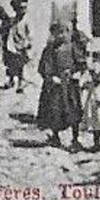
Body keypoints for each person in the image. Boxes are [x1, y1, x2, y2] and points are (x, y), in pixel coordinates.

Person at [37, 20, 83, 149]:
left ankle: (75, 138)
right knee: (55, 111)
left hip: (70, 85)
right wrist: (51, 77)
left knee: (74, 111)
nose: (61, 36)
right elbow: (44, 67)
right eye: (58, 33)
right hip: (55, 87)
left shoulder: (72, 47)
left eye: (64, 32)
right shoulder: (49, 49)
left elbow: (81, 63)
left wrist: (76, 73)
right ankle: (55, 136)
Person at [2, 0, 33, 93]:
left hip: (21, 45)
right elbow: (7, 30)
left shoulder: (27, 21)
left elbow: (31, 34)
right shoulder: (12, 20)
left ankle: (20, 83)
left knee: (20, 65)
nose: (22, 10)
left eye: (24, 8)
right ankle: (11, 80)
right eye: (20, 8)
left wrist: (28, 42)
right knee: (10, 63)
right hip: (11, 44)